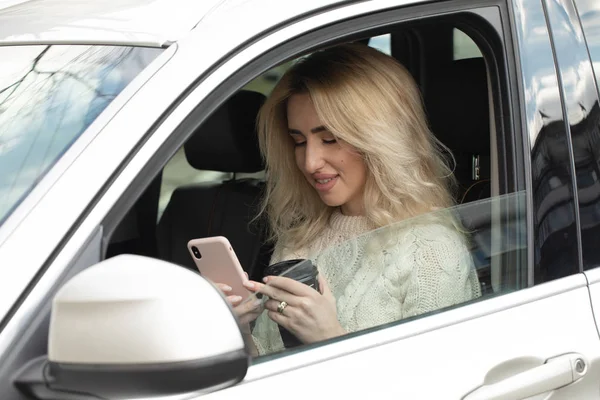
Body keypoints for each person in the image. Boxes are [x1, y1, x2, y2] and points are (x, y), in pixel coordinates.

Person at [219, 43, 481, 356]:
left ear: (380, 139)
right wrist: (238, 332)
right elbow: (272, 359)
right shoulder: (300, 238)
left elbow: (438, 380)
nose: (310, 162)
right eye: (298, 141)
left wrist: (330, 338)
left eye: (330, 139)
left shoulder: (432, 250)